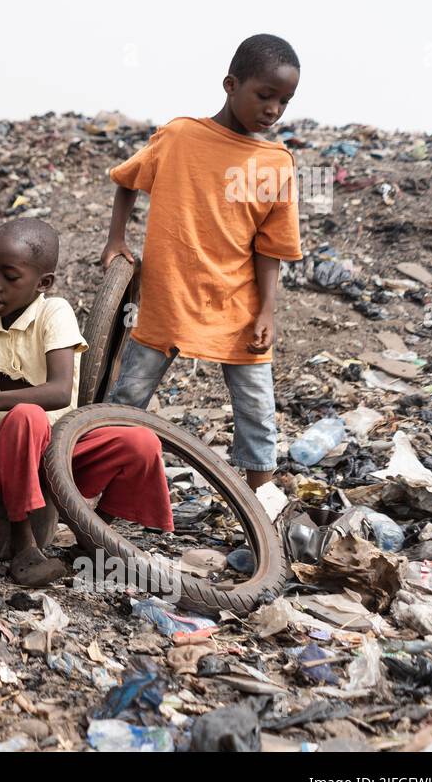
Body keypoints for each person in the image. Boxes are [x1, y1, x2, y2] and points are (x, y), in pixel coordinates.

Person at [0, 218, 172, 587]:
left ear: (43, 283)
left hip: (63, 447)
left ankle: (94, 539)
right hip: (9, 449)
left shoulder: (55, 313)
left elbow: (59, 392)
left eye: (9, 277)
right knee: (24, 419)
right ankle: (25, 547)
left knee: (139, 442)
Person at [101, 33, 303, 493]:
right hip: (168, 299)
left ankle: (261, 508)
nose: (273, 109)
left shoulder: (276, 163)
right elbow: (127, 180)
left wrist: (267, 311)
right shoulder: (180, 136)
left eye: (284, 101)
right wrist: (116, 239)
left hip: (238, 307)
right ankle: (94, 496)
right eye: (265, 95)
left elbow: (272, 248)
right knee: (128, 400)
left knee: (257, 411)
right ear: (231, 85)